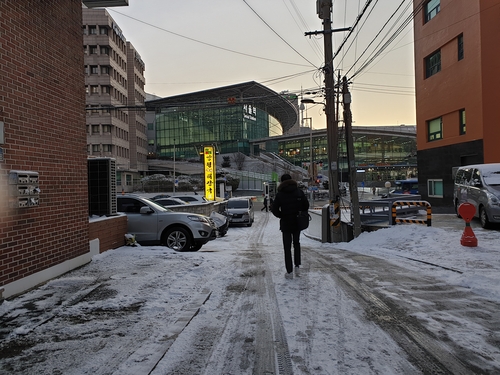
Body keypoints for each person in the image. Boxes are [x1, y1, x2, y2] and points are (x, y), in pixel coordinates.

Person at [271, 174, 309, 279]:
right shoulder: (299, 192)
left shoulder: (280, 194)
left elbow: (274, 210)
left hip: (286, 223)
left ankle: (289, 272)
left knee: (287, 248)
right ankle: (297, 266)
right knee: (297, 244)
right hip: (297, 222)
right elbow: (306, 205)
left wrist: (282, 215)